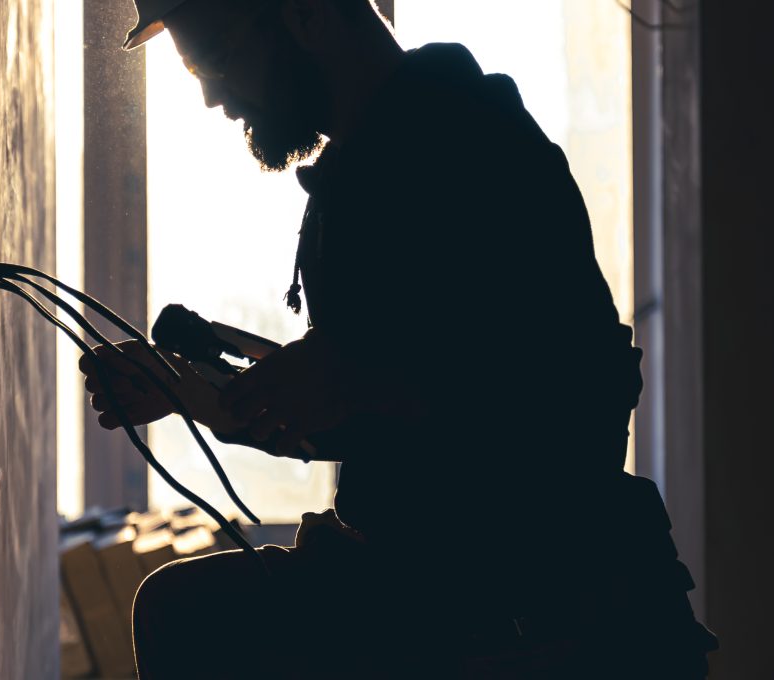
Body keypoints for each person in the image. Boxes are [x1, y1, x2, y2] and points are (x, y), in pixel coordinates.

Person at [83, 0, 717, 676]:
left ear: (308, 15)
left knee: (189, 618)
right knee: (184, 614)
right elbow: (379, 415)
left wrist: (362, 378)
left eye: (217, 59)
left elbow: (578, 388)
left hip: (541, 603)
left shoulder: (473, 145)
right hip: (438, 591)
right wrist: (206, 396)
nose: (212, 95)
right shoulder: (360, 174)